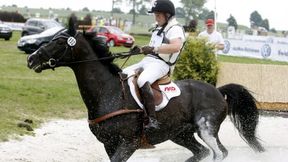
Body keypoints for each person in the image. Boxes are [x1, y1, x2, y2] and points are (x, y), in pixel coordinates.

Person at [123, 0, 186, 130]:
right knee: (123, 73)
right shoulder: (159, 27)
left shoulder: (175, 29)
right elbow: (152, 47)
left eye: (158, 15)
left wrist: (154, 49)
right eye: (155, 15)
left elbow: (176, 47)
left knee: (142, 80)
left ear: (167, 15)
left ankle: (152, 119)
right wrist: (140, 49)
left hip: (162, 64)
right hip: (149, 60)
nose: (156, 18)